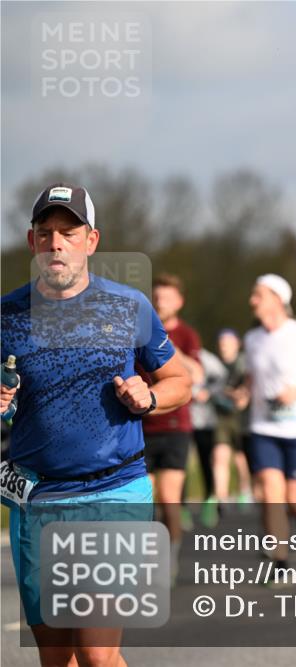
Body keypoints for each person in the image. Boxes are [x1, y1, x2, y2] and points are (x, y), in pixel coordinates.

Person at [1, 182, 191, 666]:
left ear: (92, 239)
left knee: (97, 655)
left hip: (113, 491)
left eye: (69, 232)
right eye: (46, 234)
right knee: (57, 657)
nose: (56, 244)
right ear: (31, 242)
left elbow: (178, 380)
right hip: (38, 497)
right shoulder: (8, 316)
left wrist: (148, 397)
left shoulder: (127, 307)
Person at [244, 273, 296, 568]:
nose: (252, 300)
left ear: (277, 299)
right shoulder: (251, 339)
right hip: (263, 428)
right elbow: (251, 379)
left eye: (258, 294)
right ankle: (279, 560)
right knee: (271, 496)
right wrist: (241, 394)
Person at [142, 273, 203, 569]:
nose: (159, 303)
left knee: (169, 498)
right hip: (141, 428)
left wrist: (164, 346)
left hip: (176, 428)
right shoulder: (139, 332)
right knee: (144, 501)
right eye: (155, 298)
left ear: (179, 302)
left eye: (165, 298)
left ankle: (172, 557)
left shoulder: (187, 335)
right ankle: (150, 557)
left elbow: (197, 375)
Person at [212, 328, 252, 507]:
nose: (224, 347)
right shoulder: (215, 364)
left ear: (237, 344)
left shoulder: (244, 363)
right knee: (220, 454)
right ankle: (221, 496)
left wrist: (241, 395)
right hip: (221, 415)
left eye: (228, 343)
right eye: (221, 344)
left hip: (241, 416)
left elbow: (248, 389)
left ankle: (245, 489)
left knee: (240, 456)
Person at [190, 346, 227, 527]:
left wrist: (208, 392)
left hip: (204, 420)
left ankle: (210, 500)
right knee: (181, 467)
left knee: (207, 462)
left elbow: (222, 376)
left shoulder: (203, 356)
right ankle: (180, 507)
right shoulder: (165, 352)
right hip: (181, 421)